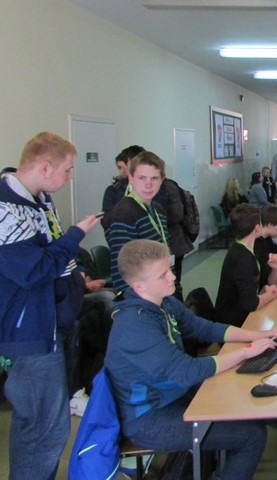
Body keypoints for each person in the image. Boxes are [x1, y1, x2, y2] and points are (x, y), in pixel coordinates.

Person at [105, 239, 277, 479]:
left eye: (169, 269)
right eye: (162, 275)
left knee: (243, 401)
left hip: (173, 392)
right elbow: (187, 370)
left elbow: (204, 328)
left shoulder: (164, 302)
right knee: (252, 436)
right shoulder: (134, 327)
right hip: (149, 418)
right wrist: (246, 352)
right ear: (139, 286)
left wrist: (256, 335)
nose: (172, 277)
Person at [0, 131, 100, 479]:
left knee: (50, 423)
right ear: (45, 168)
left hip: (55, 322)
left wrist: (76, 274)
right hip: (30, 332)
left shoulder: (40, 200)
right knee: (42, 429)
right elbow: (35, 270)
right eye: (67, 170)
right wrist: (75, 236)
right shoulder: (5, 209)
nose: (70, 177)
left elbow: (53, 255)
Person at [105, 151, 170, 295]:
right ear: (131, 178)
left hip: (159, 290)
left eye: (154, 178)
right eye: (142, 178)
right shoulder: (124, 213)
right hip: (139, 297)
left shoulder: (158, 209)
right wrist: (132, 301)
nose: (148, 185)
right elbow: (122, 267)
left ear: (162, 179)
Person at [215, 205, 277, 327]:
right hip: (234, 322)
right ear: (257, 228)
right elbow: (251, 304)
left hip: (242, 314)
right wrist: (272, 294)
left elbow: (268, 283)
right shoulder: (242, 258)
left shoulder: (246, 249)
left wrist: (276, 269)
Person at [100, 144, 145, 228]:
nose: (123, 171)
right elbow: (106, 221)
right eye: (119, 167)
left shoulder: (152, 188)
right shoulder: (113, 191)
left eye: (126, 167)